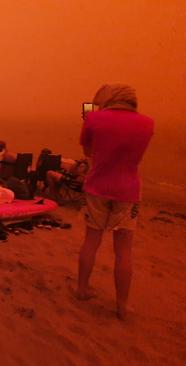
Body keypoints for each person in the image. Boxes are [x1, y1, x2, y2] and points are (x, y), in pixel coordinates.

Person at [76, 84, 154, 320]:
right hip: (127, 191)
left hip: (97, 187)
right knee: (123, 251)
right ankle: (122, 305)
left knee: (92, 240)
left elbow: (89, 152)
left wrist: (91, 120)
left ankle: (82, 288)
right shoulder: (147, 123)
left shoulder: (94, 118)